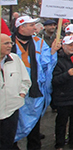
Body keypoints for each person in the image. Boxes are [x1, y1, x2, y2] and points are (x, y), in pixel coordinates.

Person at [12, 16, 60, 149]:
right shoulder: (8, 42)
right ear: (21, 27)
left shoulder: (39, 42)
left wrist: (53, 52)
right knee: (12, 124)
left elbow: (47, 64)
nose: (35, 27)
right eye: (31, 25)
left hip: (34, 92)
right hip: (13, 91)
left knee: (34, 126)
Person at [0, 34, 31, 149]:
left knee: (8, 142)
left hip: (11, 110)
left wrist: (21, 95)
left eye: (10, 43)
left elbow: (25, 80)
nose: (10, 46)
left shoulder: (15, 59)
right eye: (6, 43)